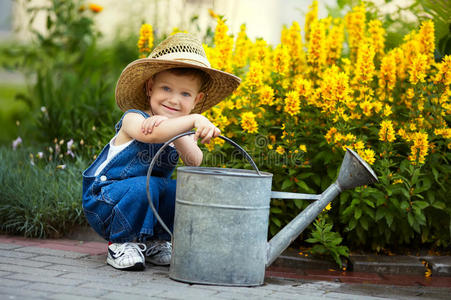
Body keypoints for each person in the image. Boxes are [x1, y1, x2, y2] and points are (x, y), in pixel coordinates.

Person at [82, 33, 241, 271]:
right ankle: (121, 243)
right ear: (150, 87)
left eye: (185, 94)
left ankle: (154, 241)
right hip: (105, 203)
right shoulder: (134, 118)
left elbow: (194, 160)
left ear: (197, 99)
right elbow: (152, 135)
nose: (174, 100)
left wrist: (187, 130)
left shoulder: (182, 129)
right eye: (166, 88)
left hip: (143, 199)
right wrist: (195, 119)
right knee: (146, 186)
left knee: (180, 189)